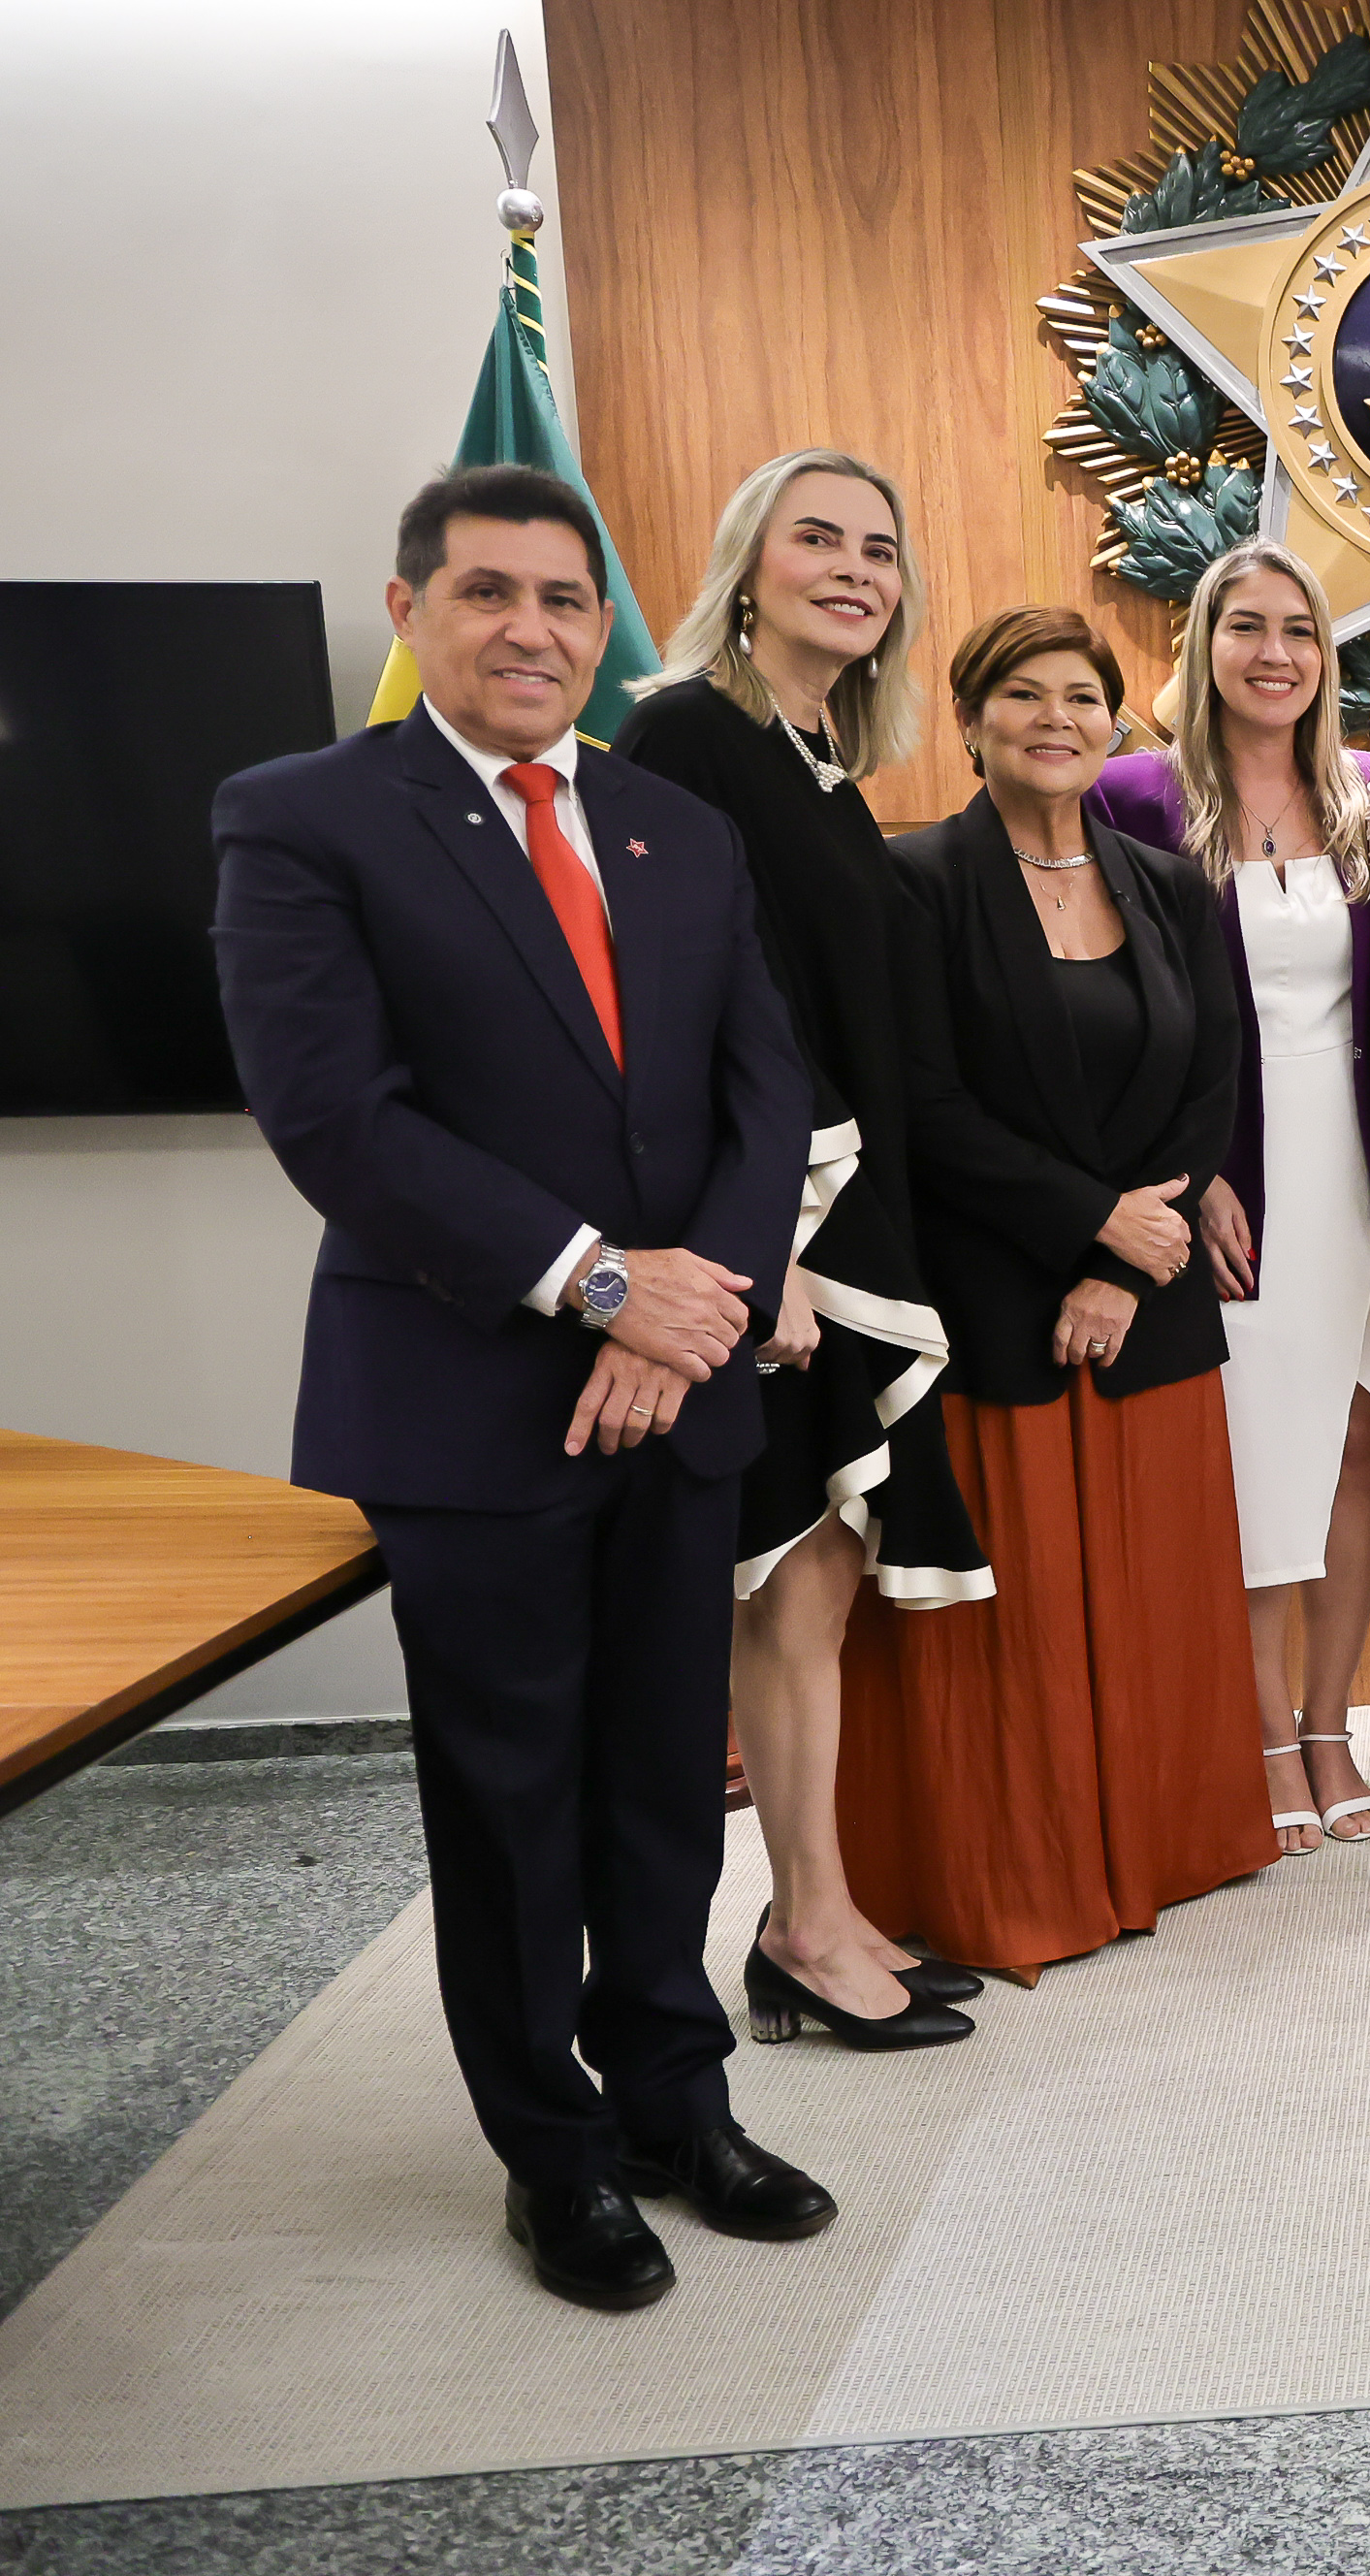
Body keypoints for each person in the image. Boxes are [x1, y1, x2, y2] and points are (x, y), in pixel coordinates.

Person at [211, 464, 826, 2310]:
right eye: (488, 593)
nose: (532, 630)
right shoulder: (304, 817)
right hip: (470, 1397)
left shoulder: (671, 825)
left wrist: (686, 1318)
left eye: (565, 599)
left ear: (601, 624)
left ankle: (674, 2102)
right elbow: (337, 1120)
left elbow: (762, 1089)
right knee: (509, 1798)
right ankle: (551, 2157)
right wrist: (604, 1289)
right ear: (412, 612)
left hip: (679, 1389)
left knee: (663, 1776)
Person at [613, 449, 983, 2051]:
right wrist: (762, 1251)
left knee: (819, 1578)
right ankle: (806, 1929)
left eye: (878, 549)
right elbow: (675, 1012)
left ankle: (809, 1914)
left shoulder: (818, 755)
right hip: (784, 1227)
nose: (852, 568)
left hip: (852, 1207)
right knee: (788, 1577)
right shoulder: (686, 732)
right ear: (744, 567)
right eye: (815, 538)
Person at [839, 606, 1268, 1976]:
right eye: (1022, 695)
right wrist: (1090, 1224)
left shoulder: (1174, 886)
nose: (1055, 719)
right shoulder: (913, 881)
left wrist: (1125, 1260)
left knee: (1151, 1596)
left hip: (1148, 1300)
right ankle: (1027, 1880)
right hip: (991, 1301)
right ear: (971, 721)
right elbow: (919, 1104)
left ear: (1113, 722)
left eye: (1080, 697)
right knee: (1014, 1628)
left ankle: (1163, 1849)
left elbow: (1213, 1083)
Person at [1090, 540, 1370, 1856]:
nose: (1274, 652)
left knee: (1356, 1440)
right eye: (1247, 626)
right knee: (1258, 1457)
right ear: (1204, 643)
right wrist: (1194, 1173)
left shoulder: (1369, 793)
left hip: (1361, 1160)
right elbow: (1107, 1009)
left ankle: (1331, 1722)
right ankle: (1262, 1733)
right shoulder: (1134, 795)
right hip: (1231, 1166)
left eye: (1299, 629)